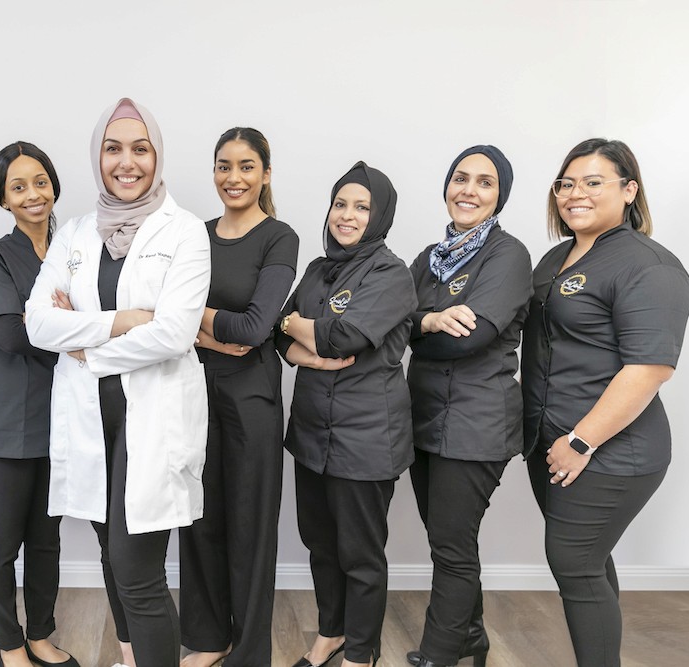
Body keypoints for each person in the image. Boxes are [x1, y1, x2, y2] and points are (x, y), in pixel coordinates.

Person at [25, 97, 211, 667]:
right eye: (112, 149)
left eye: (139, 148)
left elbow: (174, 334)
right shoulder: (76, 232)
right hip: (92, 420)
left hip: (150, 422)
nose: (125, 162)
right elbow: (37, 321)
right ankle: (133, 658)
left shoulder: (184, 233)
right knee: (112, 558)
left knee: (137, 572)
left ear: (157, 156)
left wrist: (86, 348)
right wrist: (118, 322)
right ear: (97, 157)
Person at [523, 138, 689, 666]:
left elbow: (649, 369)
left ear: (629, 190)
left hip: (610, 448)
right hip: (551, 442)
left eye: (594, 182)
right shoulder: (556, 257)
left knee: (573, 560)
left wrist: (580, 439)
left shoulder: (649, 265)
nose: (576, 193)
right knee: (588, 561)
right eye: (566, 183)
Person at [275, 161, 415, 667]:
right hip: (312, 433)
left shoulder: (391, 274)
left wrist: (300, 326)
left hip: (366, 438)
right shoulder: (316, 269)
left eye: (361, 207)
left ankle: (361, 651)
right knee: (319, 542)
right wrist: (302, 342)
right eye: (340, 204)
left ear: (379, 217)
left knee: (359, 553)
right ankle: (330, 633)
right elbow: (277, 332)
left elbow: (346, 336)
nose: (347, 216)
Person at [404, 146, 532, 667]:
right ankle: (472, 638)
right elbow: (397, 328)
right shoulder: (426, 260)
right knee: (445, 540)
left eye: (484, 182)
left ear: (499, 195)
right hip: (424, 419)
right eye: (461, 178)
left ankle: (439, 654)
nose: (469, 191)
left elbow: (469, 339)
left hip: (477, 423)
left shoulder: (508, 255)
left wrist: (421, 327)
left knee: (452, 547)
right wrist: (430, 322)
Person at [179, 127, 298, 667]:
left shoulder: (279, 237)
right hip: (193, 393)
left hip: (252, 399)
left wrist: (199, 324)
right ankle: (208, 639)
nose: (234, 177)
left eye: (247, 166)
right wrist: (222, 332)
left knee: (250, 526)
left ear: (265, 174)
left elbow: (254, 329)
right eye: (224, 166)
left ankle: (249, 654)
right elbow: (166, 316)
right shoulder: (193, 234)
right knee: (198, 518)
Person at [0, 142, 78, 667]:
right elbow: (9, 333)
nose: (33, 194)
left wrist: (65, 323)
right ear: (3, 200)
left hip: (60, 422)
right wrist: (76, 331)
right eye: (18, 186)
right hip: (0, 427)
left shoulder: (76, 250)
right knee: (3, 540)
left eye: (40, 181)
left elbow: (102, 312)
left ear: (54, 185)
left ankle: (42, 635)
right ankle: (9, 646)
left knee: (46, 541)